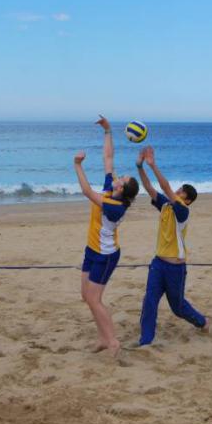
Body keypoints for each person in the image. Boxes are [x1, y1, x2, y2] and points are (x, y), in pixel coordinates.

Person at [73, 115, 140, 358]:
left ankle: (112, 341)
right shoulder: (112, 190)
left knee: (94, 299)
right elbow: (108, 158)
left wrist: (78, 165)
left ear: (121, 189)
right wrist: (108, 131)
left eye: (122, 179)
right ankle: (103, 338)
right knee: (86, 297)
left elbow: (86, 191)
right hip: (92, 249)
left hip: (106, 255)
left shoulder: (114, 206)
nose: (118, 176)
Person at [134, 146, 209, 346]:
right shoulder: (166, 205)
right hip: (158, 263)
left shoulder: (183, 212)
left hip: (176, 267)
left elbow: (165, 187)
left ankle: (202, 322)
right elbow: (150, 188)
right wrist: (140, 166)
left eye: (183, 192)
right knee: (150, 301)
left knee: (177, 308)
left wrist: (153, 164)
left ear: (188, 200)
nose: (179, 191)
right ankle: (145, 341)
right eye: (180, 188)